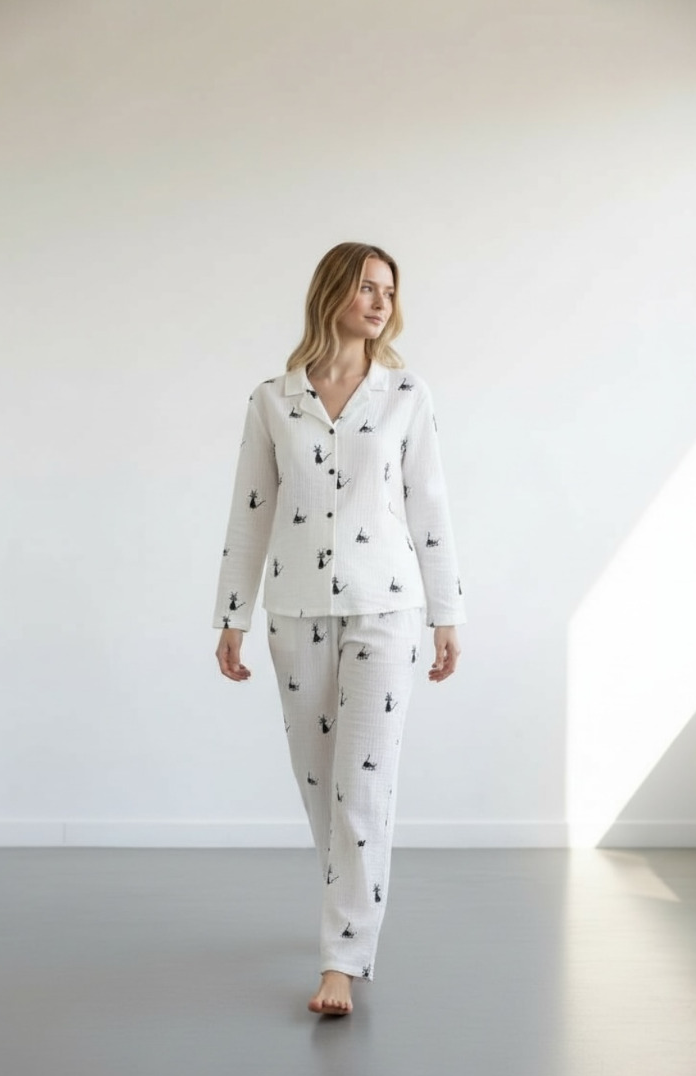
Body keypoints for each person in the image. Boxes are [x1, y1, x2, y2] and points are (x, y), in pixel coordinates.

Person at [213, 242, 466, 1016]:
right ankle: (347, 909)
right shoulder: (273, 401)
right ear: (332, 294)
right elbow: (250, 513)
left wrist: (447, 610)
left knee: (364, 788)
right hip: (295, 613)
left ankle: (341, 961)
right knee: (323, 789)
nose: (381, 302)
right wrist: (232, 614)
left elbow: (429, 504)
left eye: (389, 290)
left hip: (387, 610)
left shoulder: (406, 395)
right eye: (366, 288)